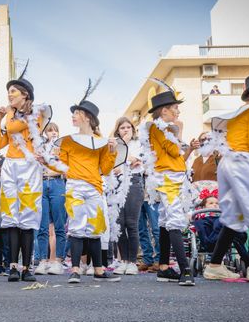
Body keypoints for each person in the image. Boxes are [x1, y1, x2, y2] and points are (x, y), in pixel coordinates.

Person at [46, 83, 121, 283]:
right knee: (77, 228)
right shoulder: (68, 141)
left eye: (77, 112)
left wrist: (112, 152)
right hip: (74, 187)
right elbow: (61, 166)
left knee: (95, 229)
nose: (73, 116)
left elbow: (105, 170)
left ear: (87, 117)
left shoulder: (102, 141)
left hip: (95, 188)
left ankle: (98, 270)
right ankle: (76, 270)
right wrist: (46, 161)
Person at [0, 66, 52, 282]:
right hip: (10, 165)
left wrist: (7, 114)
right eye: (8, 91)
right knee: (11, 217)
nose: (9, 95)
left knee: (27, 217)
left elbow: (12, 128)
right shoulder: (9, 117)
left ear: (25, 95)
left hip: (29, 167)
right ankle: (13, 266)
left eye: (14, 92)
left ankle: (27, 267)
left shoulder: (34, 114)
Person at [140, 80, 195, 286]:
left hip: (174, 175)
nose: (178, 112)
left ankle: (163, 268)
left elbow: (179, 156)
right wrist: (179, 130)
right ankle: (185, 270)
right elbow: (173, 151)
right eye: (175, 108)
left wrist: (187, 147)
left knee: (165, 219)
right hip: (168, 179)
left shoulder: (163, 128)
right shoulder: (159, 127)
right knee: (174, 219)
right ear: (164, 111)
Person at [203, 73, 249, 281]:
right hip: (243, 161)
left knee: (233, 217)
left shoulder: (239, 113)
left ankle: (214, 265)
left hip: (227, 162)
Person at [112, 117, 143, 275]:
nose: (125, 130)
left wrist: (126, 160)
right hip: (116, 184)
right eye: (122, 127)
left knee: (131, 223)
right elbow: (113, 166)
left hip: (134, 183)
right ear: (118, 130)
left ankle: (132, 262)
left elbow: (138, 161)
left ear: (133, 129)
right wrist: (127, 160)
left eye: (128, 127)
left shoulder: (139, 143)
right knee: (119, 224)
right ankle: (123, 260)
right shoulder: (114, 145)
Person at [35, 122, 67, 275]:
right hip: (41, 183)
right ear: (45, 134)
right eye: (50, 131)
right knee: (43, 226)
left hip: (57, 183)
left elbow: (66, 169)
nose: (53, 133)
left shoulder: (62, 148)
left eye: (56, 130)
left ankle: (58, 261)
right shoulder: (40, 147)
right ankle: (42, 260)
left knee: (59, 224)